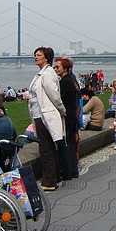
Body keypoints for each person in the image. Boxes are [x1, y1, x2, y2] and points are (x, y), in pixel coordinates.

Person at [27, 46, 66, 191]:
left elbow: (54, 95)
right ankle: (55, 177)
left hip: (44, 115)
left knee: (45, 148)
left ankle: (49, 181)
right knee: (49, 146)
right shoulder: (42, 73)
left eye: (38, 55)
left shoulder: (47, 73)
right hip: (40, 114)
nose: (36, 57)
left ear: (46, 57)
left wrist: (62, 110)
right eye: (35, 55)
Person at [54, 57, 80, 180]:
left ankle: (69, 171)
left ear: (65, 69)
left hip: (68, 117)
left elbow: (59, 99)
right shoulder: (70, 80)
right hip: (72, 116)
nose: (55, 69)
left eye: (57, 67)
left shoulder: (65, 81)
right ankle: (73, 170)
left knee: (67, 144)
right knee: (70, 144)